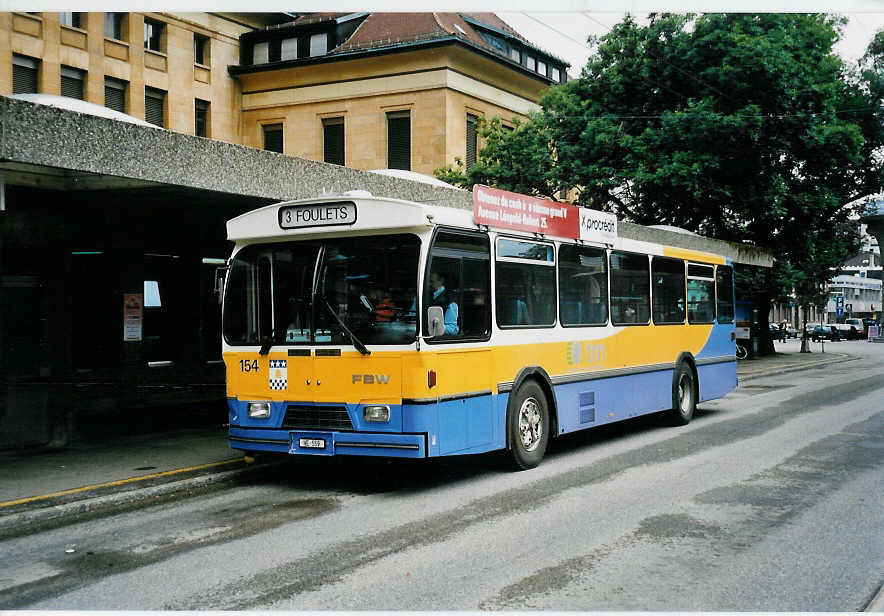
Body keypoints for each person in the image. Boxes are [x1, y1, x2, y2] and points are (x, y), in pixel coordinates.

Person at [428, 271, 459, 335]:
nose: (428, 284)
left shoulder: (450, 300)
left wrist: (434, 326)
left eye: (431, 281)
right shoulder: (425, 296)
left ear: (441, 281)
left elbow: (453, 329)